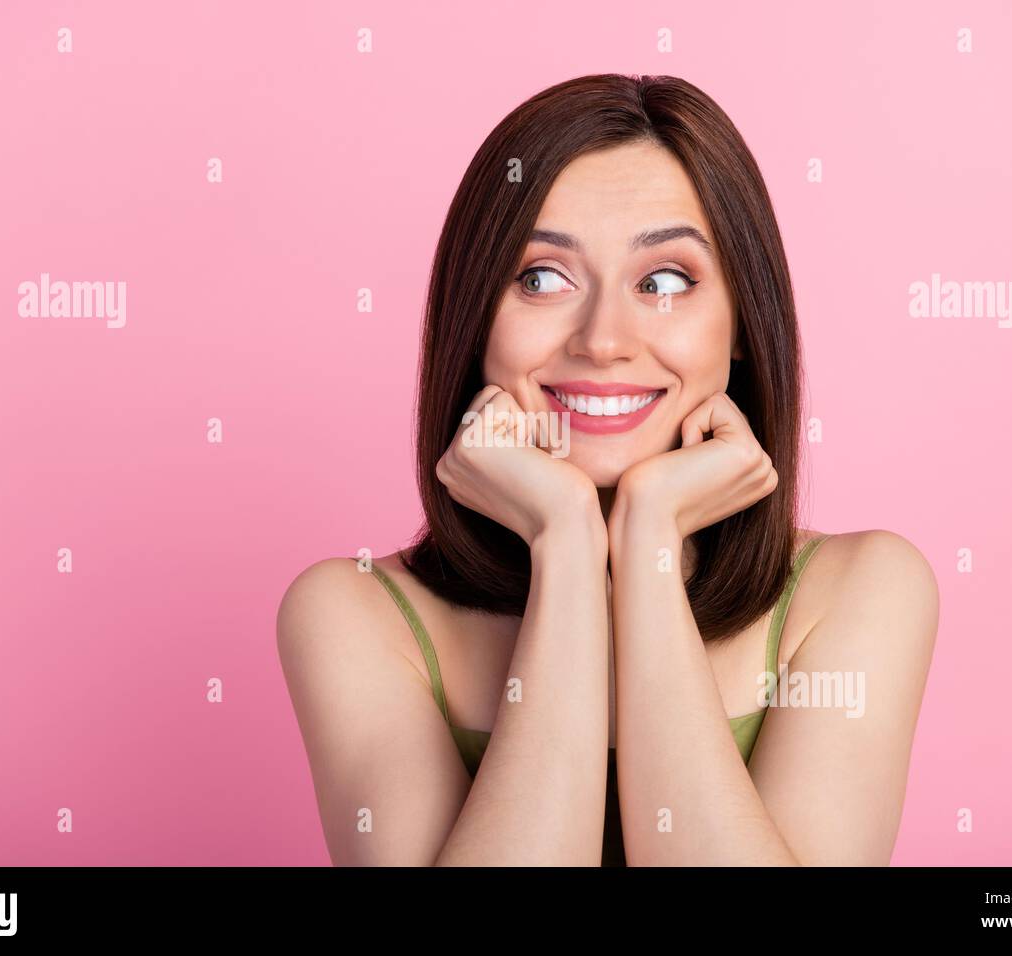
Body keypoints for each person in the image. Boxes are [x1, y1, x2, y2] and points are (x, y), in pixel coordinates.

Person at [277, 73, 939, 866]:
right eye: (542, 278)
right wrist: (566, 542)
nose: (602, 339)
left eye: (664, 282)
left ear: (739, 326)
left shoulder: (861, 590)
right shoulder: (354, 614)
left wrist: (648, 542)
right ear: (477, 319)